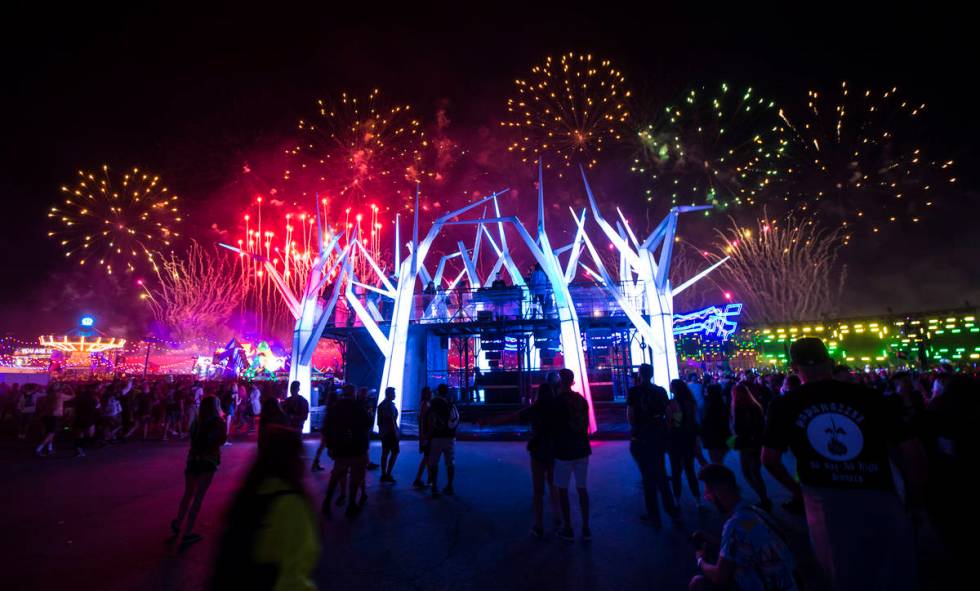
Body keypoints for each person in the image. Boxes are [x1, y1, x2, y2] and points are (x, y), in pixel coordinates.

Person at [762, 338, 925, 591]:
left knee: (844, 577)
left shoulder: (784, 405)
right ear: (830, 362)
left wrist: (799, 491)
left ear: (794, 367)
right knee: (895, 574)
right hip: (879, 494)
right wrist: (913, 497)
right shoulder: (870, 397)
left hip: (826, 504)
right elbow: (912, 450)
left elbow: (769, 459)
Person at [211, 423, 319, 590]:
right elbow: (294, 574)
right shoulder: (290, 504)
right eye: (301, 456)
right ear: (292, 459)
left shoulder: (250, 492)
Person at [689, 464, 798, 591]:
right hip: (790, 584)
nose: (708, 499)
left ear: (719, 492)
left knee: (697, 584)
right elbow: (744, 540)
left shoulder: (734, 526)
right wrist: (713, 541)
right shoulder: (755, 512)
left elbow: (720, 576)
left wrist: (700, 559)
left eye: (708, 494)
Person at [171, 395, 227, 548]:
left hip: (193, 459)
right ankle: (188, 532)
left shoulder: (197, 421)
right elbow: (221, 441)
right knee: (198, 497)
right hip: (208, 460)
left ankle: (178, 522)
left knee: (188, 493)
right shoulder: (218, 422)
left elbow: (192, 438)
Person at [627, 364, 677, 528]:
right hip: (657, 433)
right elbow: (669, 412)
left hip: (642, 435)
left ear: (640, 374)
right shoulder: (660, 391)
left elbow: (631, 414)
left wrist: (635, 428)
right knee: (661, 473)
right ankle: (671, 510)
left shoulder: (634, 392)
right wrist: (666, 430)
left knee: (647, 476)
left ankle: (654, 515)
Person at [321, 384, 372, 518]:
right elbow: (368, 423)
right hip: (357, 447)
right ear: (354, 393)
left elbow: (326, 428)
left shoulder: (335, 408)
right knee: (355, 477)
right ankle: (351, 504)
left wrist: (330, 446)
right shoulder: (358, 408)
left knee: (337, 474)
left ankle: (327, 502)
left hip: (340, 448)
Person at [553, 368, 592, 541]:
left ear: (560, 382)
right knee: (582, 488)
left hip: (564, 450)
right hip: (582, 448)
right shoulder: (581, 400)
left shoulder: (558, 402)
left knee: (562, 490)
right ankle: (586, 527)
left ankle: (568, 527)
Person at [526, 382, 562, 538]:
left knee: (538, 490)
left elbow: (516, 416)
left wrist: (491, 421)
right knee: (553, 484)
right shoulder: (557, 407)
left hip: (538, 449)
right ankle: (557, 515)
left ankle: (539, 525)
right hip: (553, 449)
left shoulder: (535, 408)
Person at [731, 383, 771, 512]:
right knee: (752, 472)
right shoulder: (754, 406)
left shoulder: (743, 407)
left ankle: (764, 499)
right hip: (752, 443)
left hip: (749, 444)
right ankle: (763, 498)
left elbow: (745, 428)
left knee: (750, 472)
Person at [668, 379, 701, 507]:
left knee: (676, 471)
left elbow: (672, 424)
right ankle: (698, 500)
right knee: (690, 470)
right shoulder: (690, 402)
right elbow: (692, 421)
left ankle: (677, 501)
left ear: (674, 389)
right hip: (689, 438)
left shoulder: (672, 404)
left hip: (675, 439)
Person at [427, 384, 459, 497]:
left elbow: (430, 419)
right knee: (450, 462)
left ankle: (434, 487)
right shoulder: (450, 403)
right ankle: (450, 486)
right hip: (450, 436)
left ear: (438, 391)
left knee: (433, 463)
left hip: (437, 436)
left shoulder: (434, 403)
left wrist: (428, 436)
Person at [36, 384, 72, 456]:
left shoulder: (46, 396)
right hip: (54, 416)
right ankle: (38, 449)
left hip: (46, 416)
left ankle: (50, 449)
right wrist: (70, 387)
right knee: (51, 433)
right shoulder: (60, 395)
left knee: (49, 433)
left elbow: (41, 406)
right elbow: (73, 396)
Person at [700, 383, 731, 465]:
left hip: (713, 436)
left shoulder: (709, 405)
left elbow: (706, 421)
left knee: (715, 461)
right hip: (723, 435)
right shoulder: (722, 404)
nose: (704, 391)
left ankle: (720, 475)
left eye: (706, 390)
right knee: (719, 460)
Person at [376, 387, 400, 484]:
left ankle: (384, 473)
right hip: (390, 433)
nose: (395, 395)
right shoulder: (388, 405)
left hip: (385, 433)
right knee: (394, 452)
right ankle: (387, 473)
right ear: (389, 394)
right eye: (393, 393)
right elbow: (390, 420)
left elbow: (381, 421)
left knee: (385, 453)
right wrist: (396, 432)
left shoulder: (383, 405)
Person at [311, 387, 338, 472]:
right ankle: (336, 466)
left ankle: (315, 463)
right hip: (331, 429)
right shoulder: (334, 408)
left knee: (322, 446)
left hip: (325, 428)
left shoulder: (328, 407)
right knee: (333, 447)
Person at [412, 386, 433, 489]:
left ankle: (428, 478)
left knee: (427, 457)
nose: (431, 393)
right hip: (426, 435)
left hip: (425, 434)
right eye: (430, 392)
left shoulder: (424, 404)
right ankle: (419, 479)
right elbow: (423, 421)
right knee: (427, 457)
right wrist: (424, 435)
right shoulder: (425, 404)